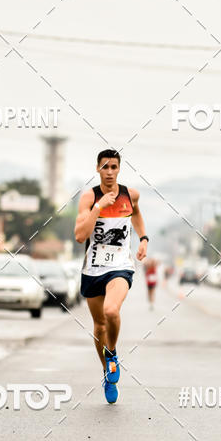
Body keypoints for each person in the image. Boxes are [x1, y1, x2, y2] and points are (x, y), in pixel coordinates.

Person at [74, 149, 148, 404]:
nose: (109, 172)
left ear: (119, 169)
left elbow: (136, 212)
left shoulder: (130, 195)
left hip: (120, 266)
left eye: (113, 167)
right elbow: (80, 236)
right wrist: (98, 207)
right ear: (97, 169)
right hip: (93, 269)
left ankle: (112, 354)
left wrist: (144, 238)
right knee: (99, 326)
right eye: (104, 167)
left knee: (111, 311)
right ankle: (107, 372)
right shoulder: (89, 197)